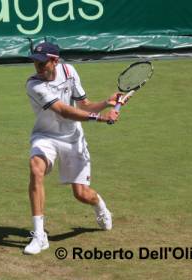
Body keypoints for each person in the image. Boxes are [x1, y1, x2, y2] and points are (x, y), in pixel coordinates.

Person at [24, 42, 123, 255]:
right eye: (35, 62)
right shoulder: (33, 85)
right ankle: (40, 235)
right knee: (35, 168)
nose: (37, 66)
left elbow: (84, 105)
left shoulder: (69, 71)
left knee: (81, 194)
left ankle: (100, 207)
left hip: (73, 139)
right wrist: (101, 118)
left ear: (55, 61)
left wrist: (107, 102)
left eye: (42, 62)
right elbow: (64, 111)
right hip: (46, 136)